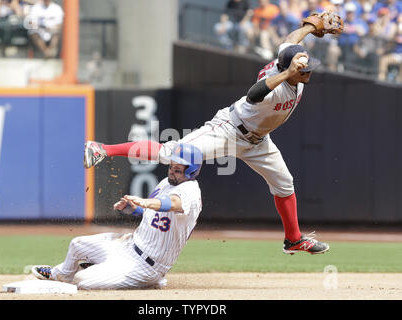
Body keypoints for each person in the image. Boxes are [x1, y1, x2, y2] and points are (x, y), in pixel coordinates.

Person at [83, 17, 341, 256]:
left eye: (307, 67)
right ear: (288, 70)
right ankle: (103, 149)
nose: (309, 72)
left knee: (284, 183)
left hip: (259, 141)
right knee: (169, 152)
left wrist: (311, 26)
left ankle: (293, 239)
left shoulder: (286, 60)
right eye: (304, 68)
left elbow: (291, 41)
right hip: (229, 129)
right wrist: (288, 74)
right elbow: (253, 94)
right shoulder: (278, 87)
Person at [32, 143, 203, 290]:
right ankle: (60, 274)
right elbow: (153, 215)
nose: (172, 172)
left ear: (191, 172)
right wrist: (134, 209)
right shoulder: (167, 183)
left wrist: (144, 201)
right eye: (171, 166)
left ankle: (146, 281)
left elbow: (172, 203)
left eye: (178, 169)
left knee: (82, 281)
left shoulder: (191, 192)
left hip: (146, 266)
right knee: (77, 244)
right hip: (128, 245)